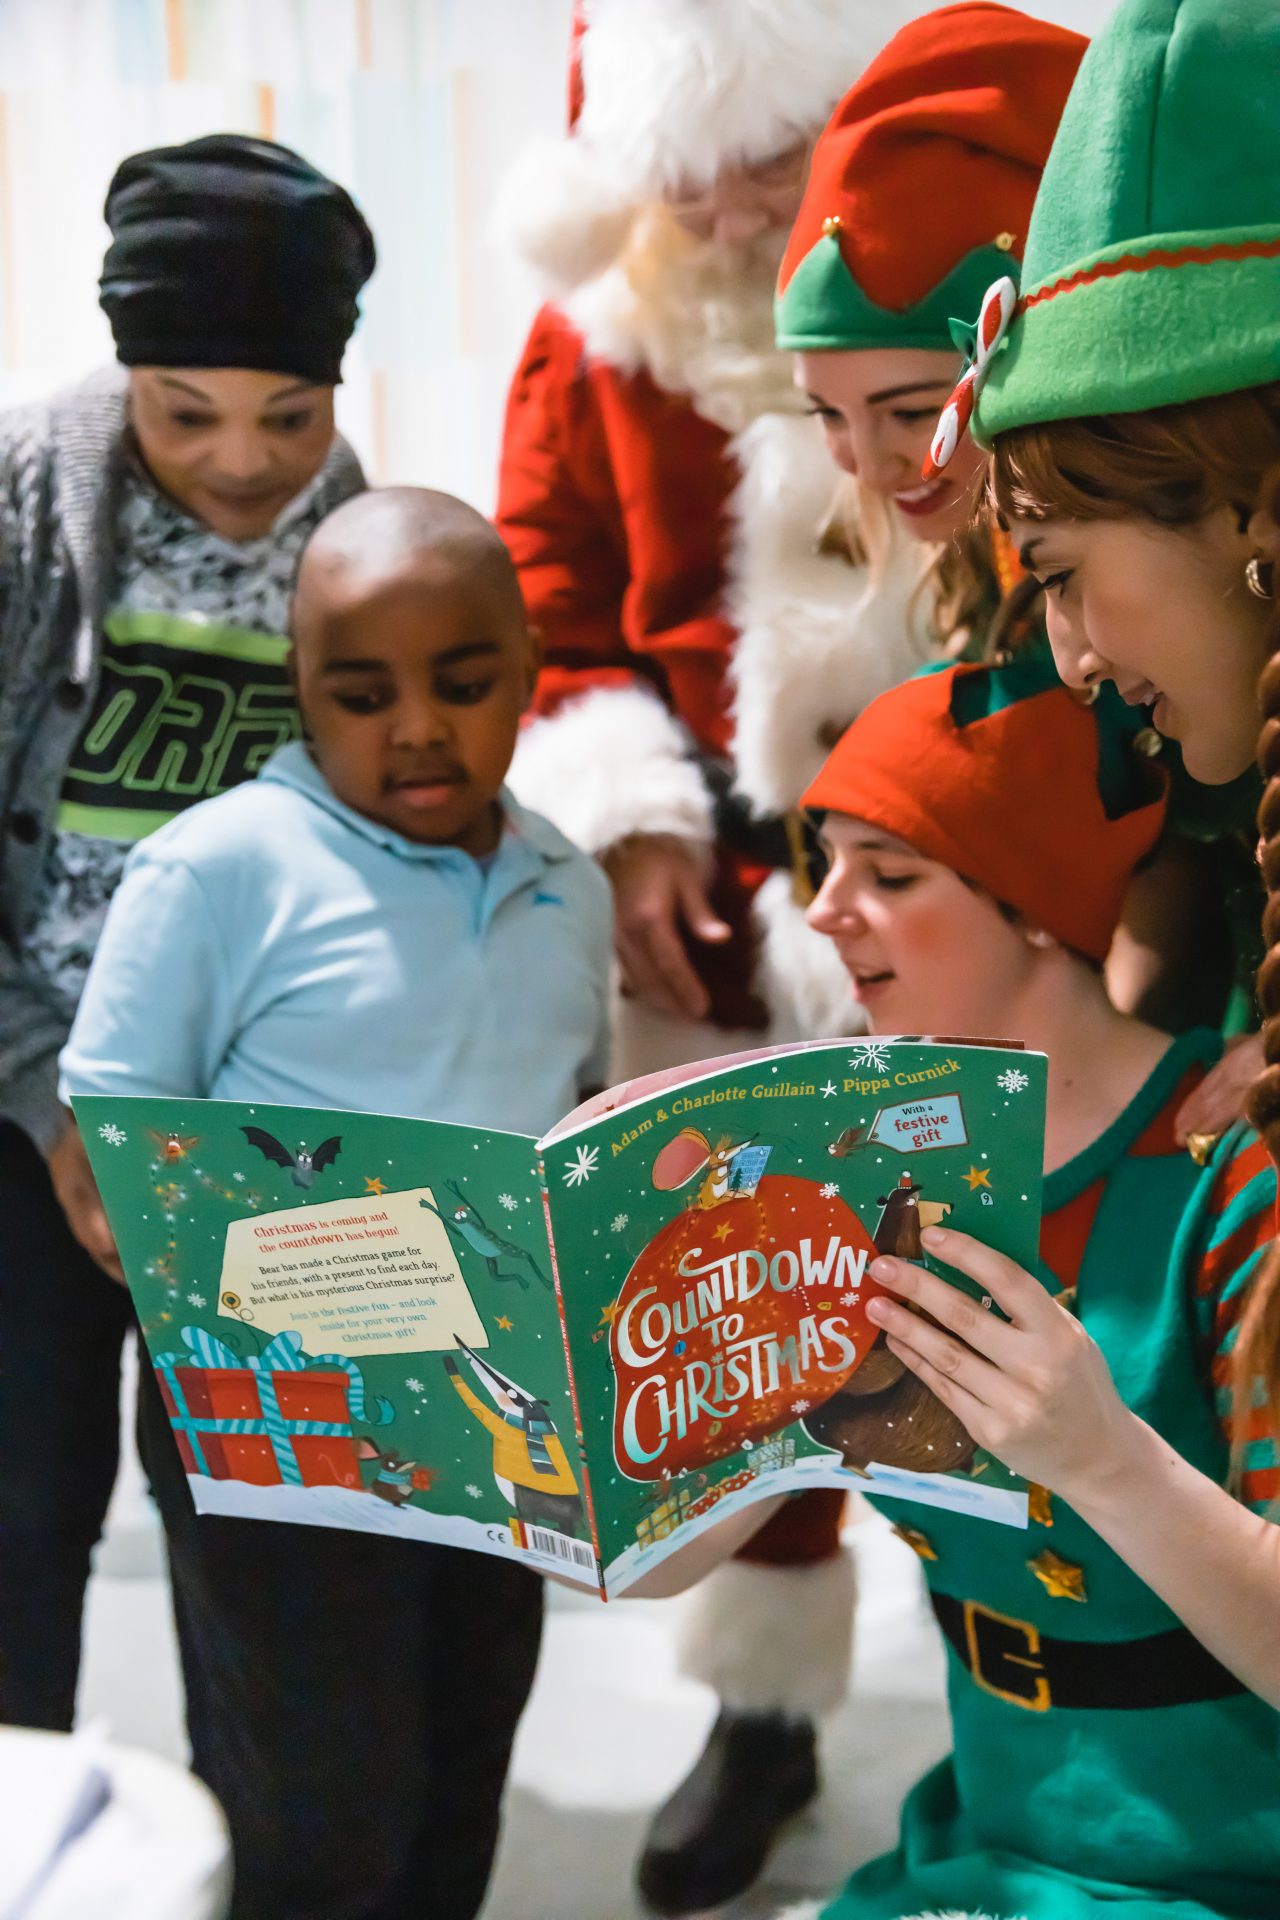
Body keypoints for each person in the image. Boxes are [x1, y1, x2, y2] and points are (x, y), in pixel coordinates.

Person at [496, 5, 926, 1902]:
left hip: (962, 883)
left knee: (989, 1319)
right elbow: (541, 591)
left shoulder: (949, 311)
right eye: (709, 157)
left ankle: (1057, 1703)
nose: (749, 201)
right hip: (718, 908)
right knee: (748, 1332)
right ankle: (766, 1714)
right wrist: (634, 818)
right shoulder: (588, 341)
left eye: (785, 146)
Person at [59, 486, 613, 1920]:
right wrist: (169, 1221)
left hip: (500, 1427)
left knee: (459, 1766)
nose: (417, 728)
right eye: (361, 695)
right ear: (299, 687)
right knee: (316, 1811)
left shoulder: (572, 882)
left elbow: (567, 1122)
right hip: (282, 1439)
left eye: (464, 682)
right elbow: (112, 1143)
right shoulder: (218, 867)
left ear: (530, 665)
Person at [739, 651, 1280, 1920]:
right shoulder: (840, 1167)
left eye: (890, 872)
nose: (822, 911)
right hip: (982, 1840)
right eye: (824, 863)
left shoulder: (1231, 1171)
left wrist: (1103, 1457)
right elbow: (657, 1566)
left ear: (1035, 906)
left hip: (1219, 1871)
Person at [0, 131, 373, 1733]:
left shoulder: (357, 531)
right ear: (124, 371)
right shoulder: (23, 503)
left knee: (263, 1531)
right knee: (19, 1517)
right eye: (188, 415)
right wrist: (54, 1097)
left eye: (289, 417)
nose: (243, 462)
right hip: (24, 1109)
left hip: (255, 1132)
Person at [774, 0, 1254, 1138]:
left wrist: (1127, 1093)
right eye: (826, 418)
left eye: (906, 410)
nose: (880, 463)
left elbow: (1171, 864)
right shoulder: (986, 580)